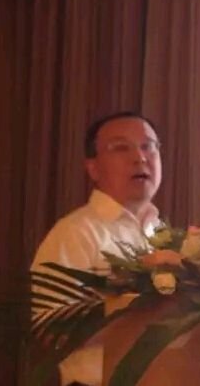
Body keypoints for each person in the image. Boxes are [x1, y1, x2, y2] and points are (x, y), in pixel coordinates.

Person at [30, 112, 163, 385]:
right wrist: (136, 312)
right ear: (93, 168)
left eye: (148, 146)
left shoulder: (163, 234)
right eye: (121, 148)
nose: (140, 157)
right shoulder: (76, 232)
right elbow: (50, 328)